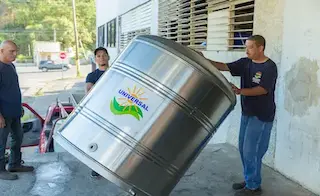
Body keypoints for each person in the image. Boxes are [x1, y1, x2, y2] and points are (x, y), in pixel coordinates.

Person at [204, 35, 277, 196]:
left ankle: (253, 186)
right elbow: (223, 66)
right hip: (247, 112)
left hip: (262, 115)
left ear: (260, 48)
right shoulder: (245, 63)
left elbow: (263, 89)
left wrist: (240, 91)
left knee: (253, 151)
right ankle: (250, 178)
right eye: (246, 47)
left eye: (250, 47)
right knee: (244, 149)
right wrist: (204, 60)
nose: (247, 50)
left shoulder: (269, 67)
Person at [0, 40, 34, 181]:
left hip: (14, 111)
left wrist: (19, 107)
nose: (15, 54)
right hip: (3, 114)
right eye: (11, 51)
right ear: (1, 51)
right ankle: (0, 170)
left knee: (18, 138)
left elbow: (13, 89)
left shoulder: (11, 66)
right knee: (1, 142)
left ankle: (14, 164)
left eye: (16, 51)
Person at [85, 46, 110, 177]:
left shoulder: (115, 71)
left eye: (104, 55)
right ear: (95, 59)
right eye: (99, 56)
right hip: (99, 111)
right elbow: (89, 92)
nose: (102, 58)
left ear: (108, 57)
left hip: (115, 110)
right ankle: (96, 166)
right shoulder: (92, 75)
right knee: (97, 139)